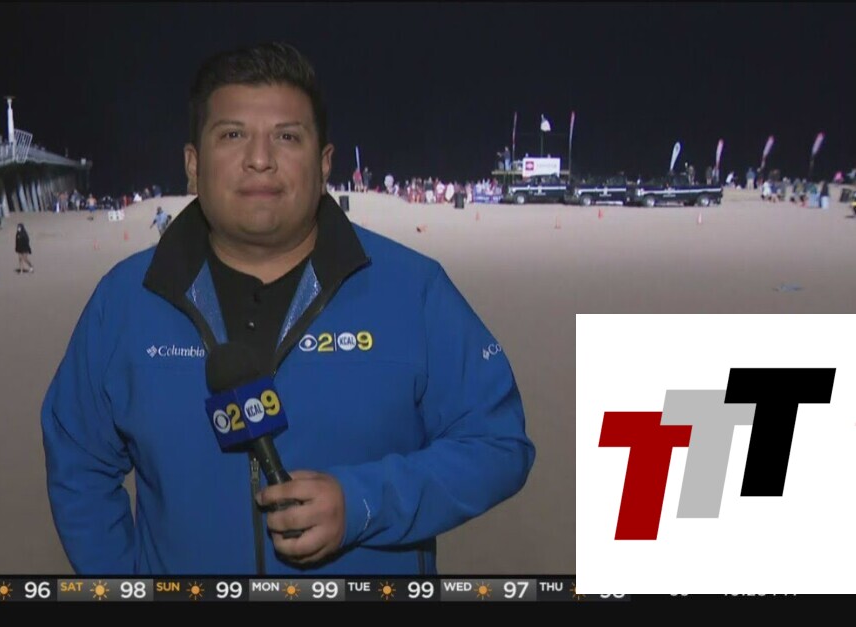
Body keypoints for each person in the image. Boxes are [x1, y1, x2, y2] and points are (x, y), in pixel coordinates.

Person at [41, 42, 534, 576]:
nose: (260, 159)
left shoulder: (414, 291)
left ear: (324, 163)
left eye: (287, 136)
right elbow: (78, 463)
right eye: (232, 135)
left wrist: (363, 502)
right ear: (193, 164)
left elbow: (498, 443)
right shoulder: (125, 302)